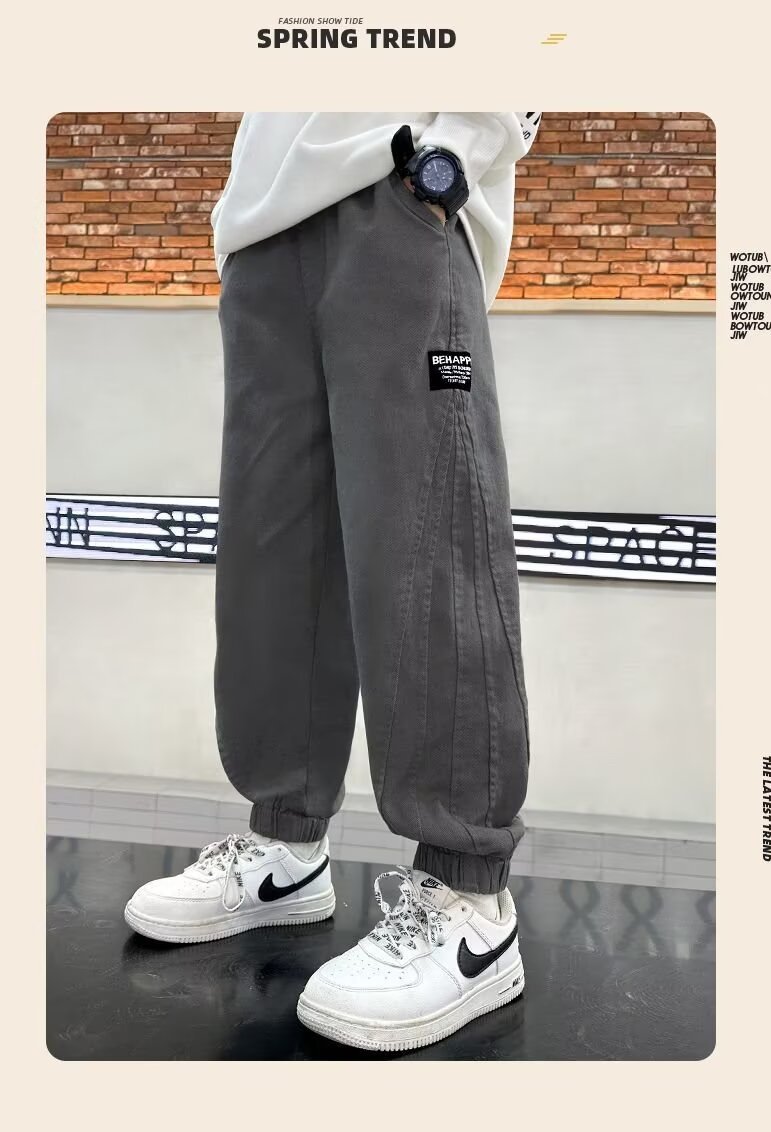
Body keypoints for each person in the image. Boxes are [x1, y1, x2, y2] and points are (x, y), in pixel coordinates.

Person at [125, 112, 542, 1052]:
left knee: (427, 537)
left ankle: (470, 902)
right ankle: (284, 847)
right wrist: (238, 218)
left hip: (399, 195)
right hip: (266, 228)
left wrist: (454, 153)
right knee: (272, 553)